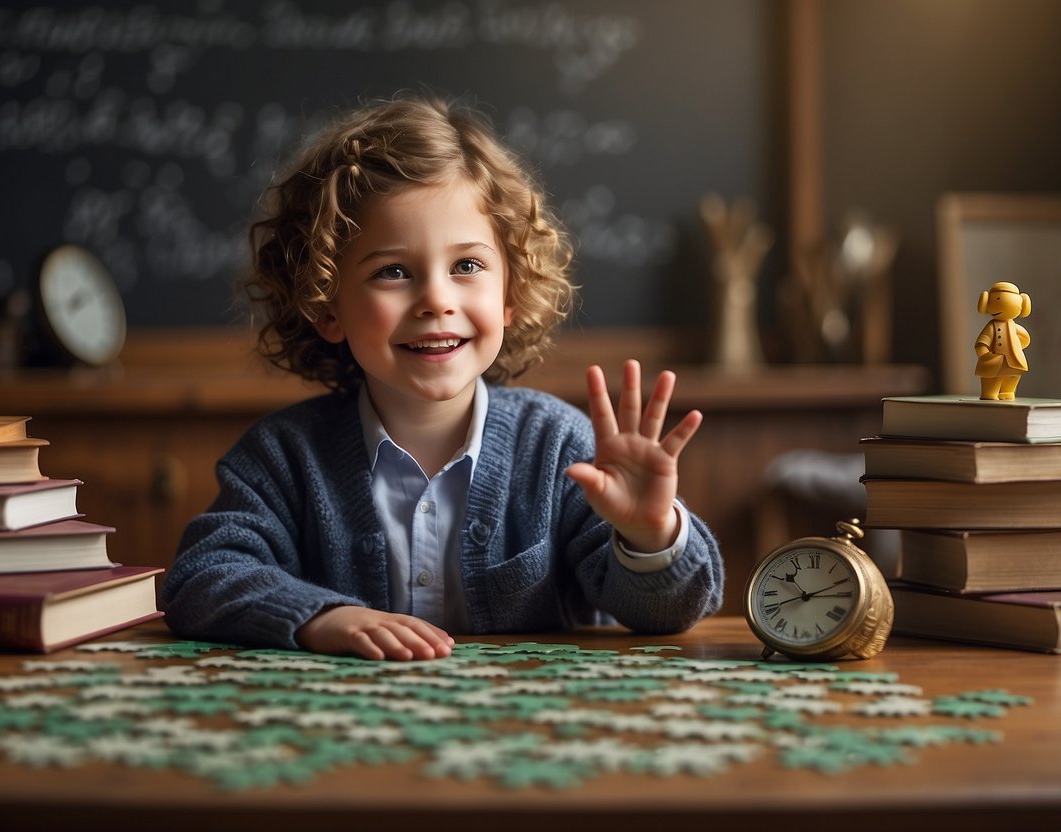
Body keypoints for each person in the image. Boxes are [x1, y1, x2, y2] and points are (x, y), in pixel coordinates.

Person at [160, 95, 724, 660]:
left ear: (511, 294)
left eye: (467, 266)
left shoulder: (560, 449)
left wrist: (651, 535)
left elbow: (666, 615)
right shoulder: (283, 459)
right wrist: (320, 617)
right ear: (326, 307)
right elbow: (201, 578)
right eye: (393, 272)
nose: (436, 299)